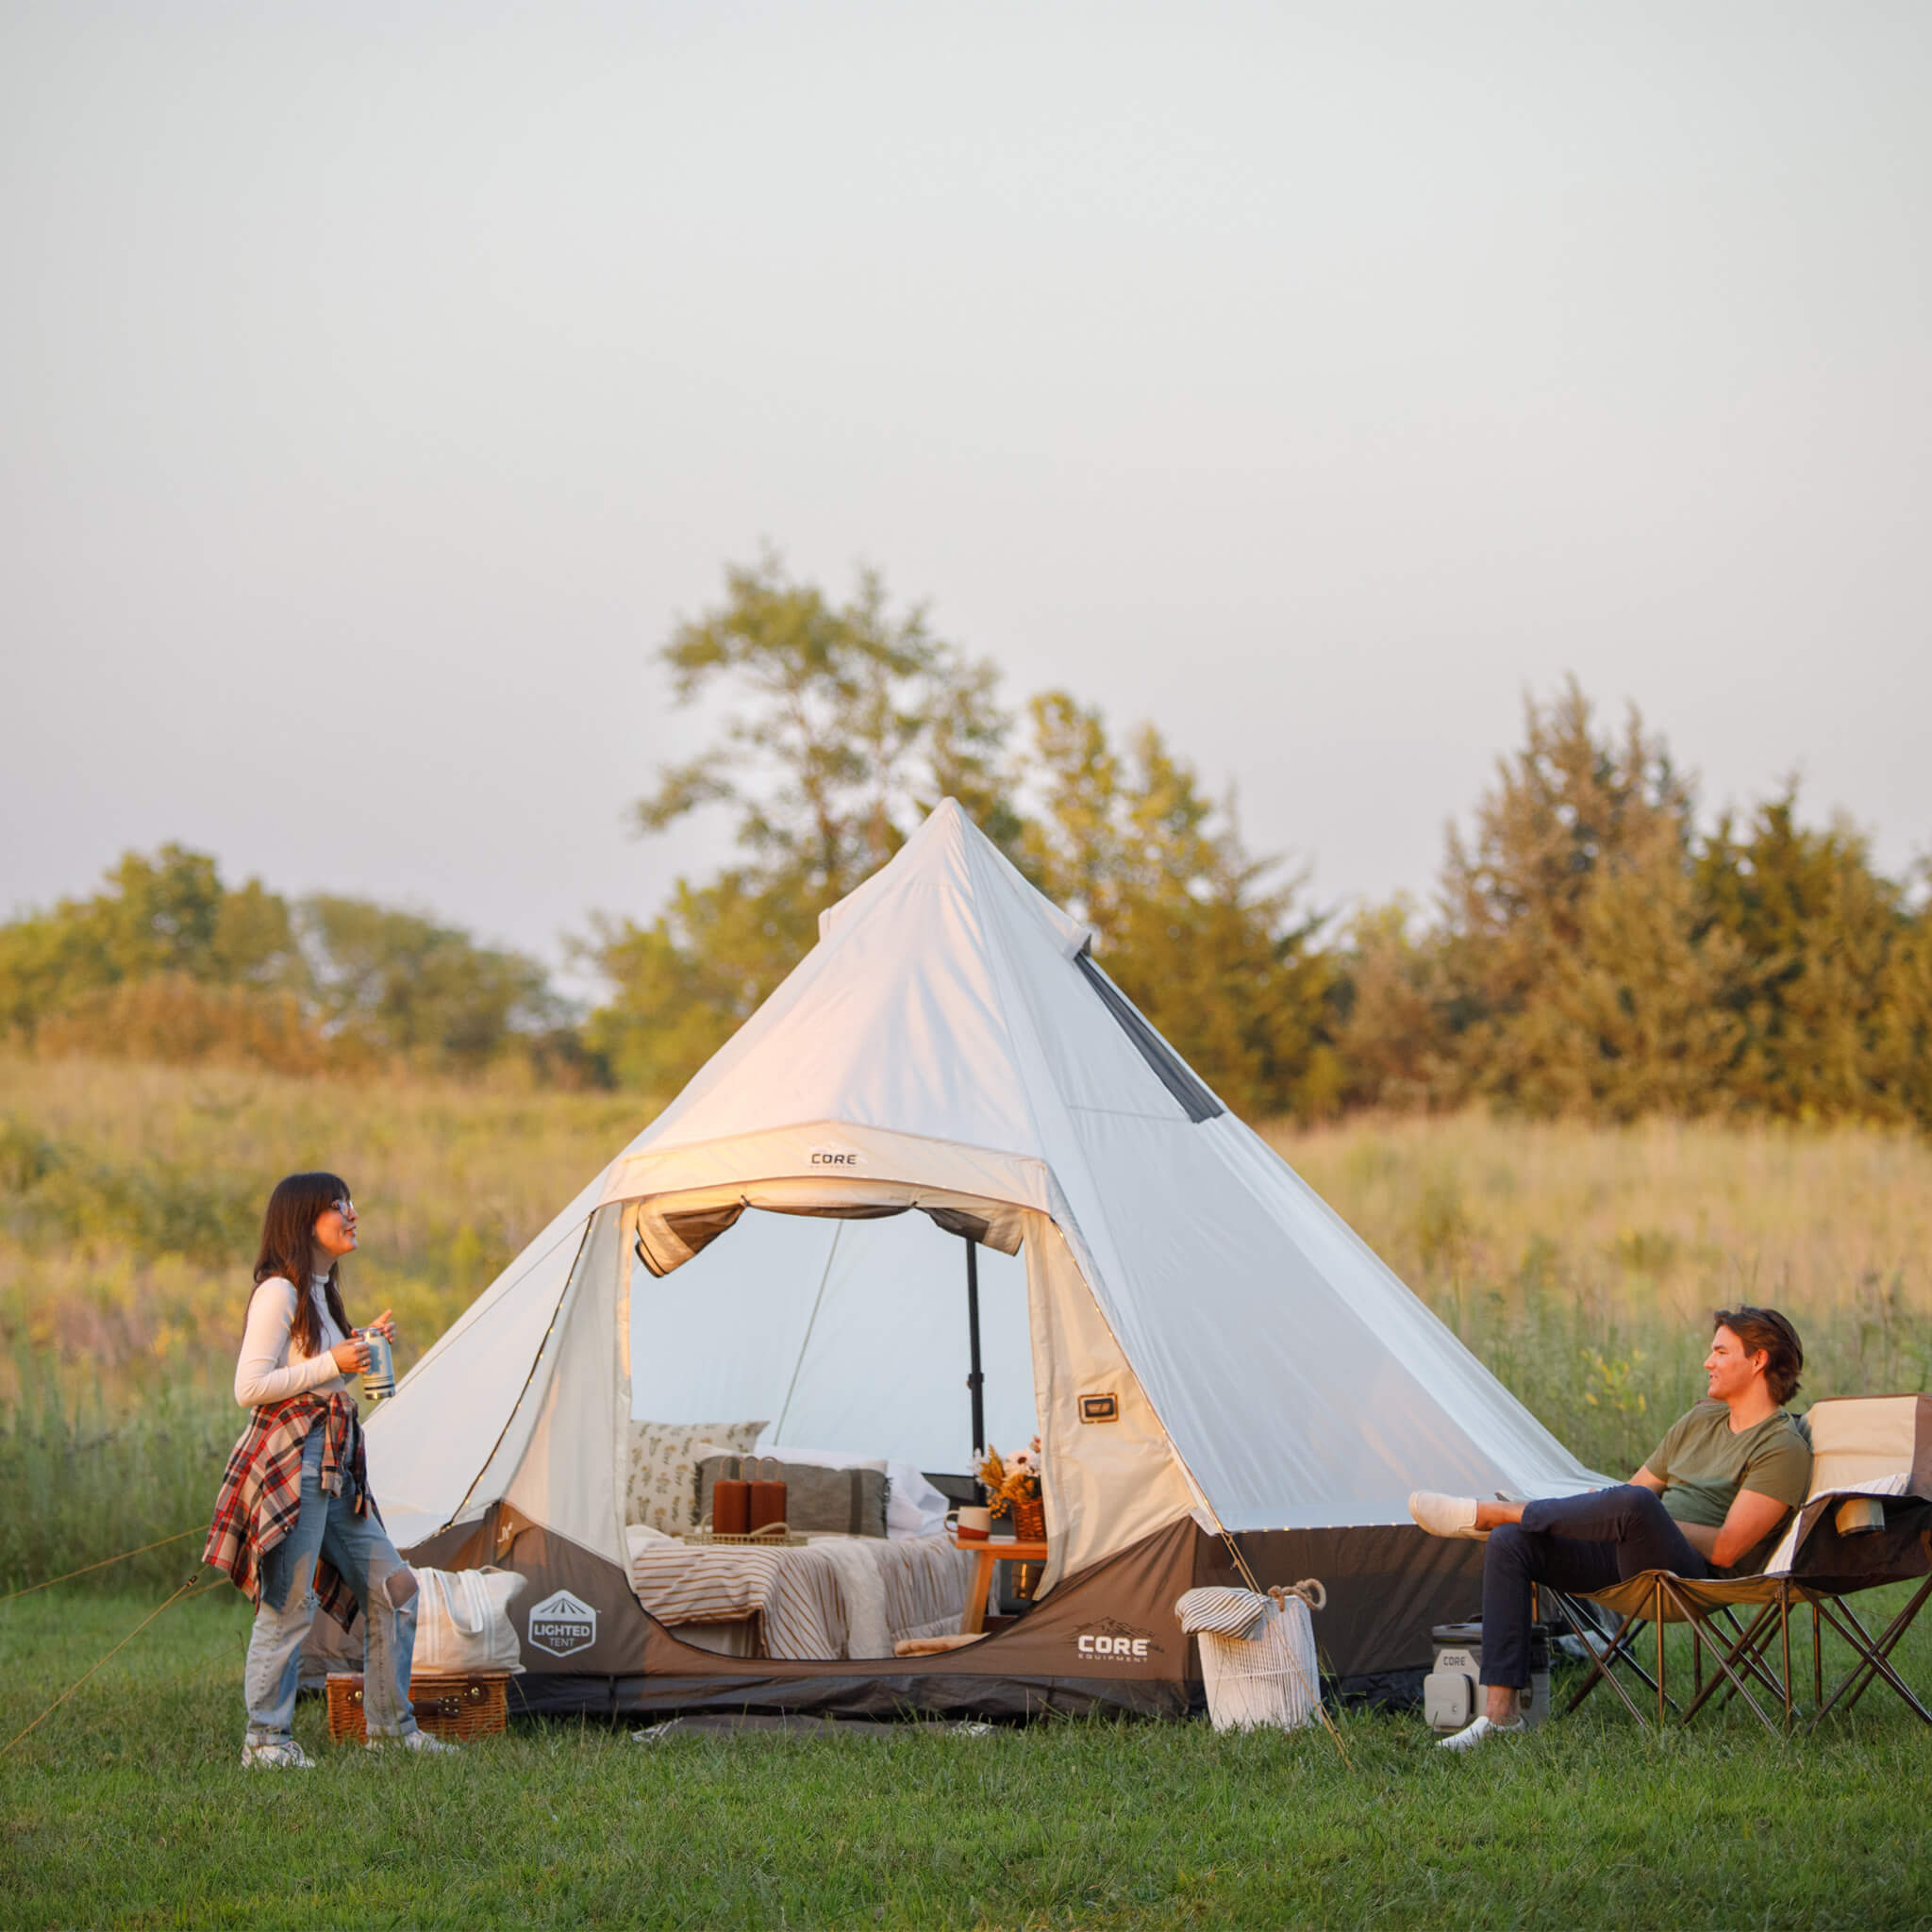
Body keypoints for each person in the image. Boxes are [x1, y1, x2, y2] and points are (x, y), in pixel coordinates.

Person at [1409, 1306, 1812, 1751]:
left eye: (1720, 1351)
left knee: (1634, 1505)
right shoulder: (1700, 1421)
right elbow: (1632, 1493)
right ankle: (1500, 1718)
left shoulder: (1782, 1448)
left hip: (1691, 1575)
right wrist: (1613, 1516)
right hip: (1632, 1552)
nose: (1707, 1362)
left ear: (1758, 1361)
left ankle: (1495, 1512)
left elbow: (1727, 1550)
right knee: (1512, 1544)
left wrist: (1652, 1520)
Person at [204, 1172, 456, 1767]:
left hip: (336, 1462)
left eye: (350, 1204)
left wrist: (357, 1351)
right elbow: (250, 1387)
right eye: (340, 1206)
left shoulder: (319, 1291)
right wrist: (330, 1362)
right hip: (296, 1461)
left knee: (394, 1589)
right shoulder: (279, 1292)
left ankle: (391, 1732)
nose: (353, 1214)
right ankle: (265, 1742)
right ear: (304, 1219)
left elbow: (318, 1374)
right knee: (289, 1602)